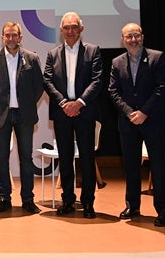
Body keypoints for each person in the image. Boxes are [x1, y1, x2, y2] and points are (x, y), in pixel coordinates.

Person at [108, 22, 165, 227]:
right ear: (123, 39)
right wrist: (129, 113)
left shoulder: (157, 57)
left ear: (142, 37)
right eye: (129, 36)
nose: (133, 39)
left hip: (153, 121)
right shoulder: (117, 62)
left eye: (136, 35)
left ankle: (164, 211)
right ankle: (133, 206)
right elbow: (113, 91)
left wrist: (145, 112)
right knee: (131, 167)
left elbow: (162, 88)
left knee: (159, 167)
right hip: (128, 123)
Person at [42, 12, 102, 219]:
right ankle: (67, 200)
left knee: (87, 159)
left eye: (74, 27)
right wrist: (63, 103)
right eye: (66, 27)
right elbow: (47, 81)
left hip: (84, 112)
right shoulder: (53, 54)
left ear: (81, 29)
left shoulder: (93, 51)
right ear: (61, 30)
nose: (70, 31)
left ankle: (88, 203)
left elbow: (97, 81)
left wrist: (79, 103)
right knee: (65, 160)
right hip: (62, 113)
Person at [0, 21, 44, 214]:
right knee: (2, 159)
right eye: (7, 35)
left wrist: (25, 103)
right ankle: (4, 198)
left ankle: (27, 199)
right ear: (2, 37)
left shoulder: (32, 58)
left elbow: (38, 87)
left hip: (24, 115)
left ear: (20, 37)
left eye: (14, 35)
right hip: (1, 115)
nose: (11, 38)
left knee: (26, 158)